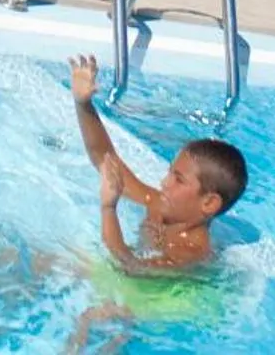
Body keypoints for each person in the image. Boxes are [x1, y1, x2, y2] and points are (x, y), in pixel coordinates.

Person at [65, 54, 246, 346]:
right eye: (169, 173)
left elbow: (129, 265)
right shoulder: (159, 203)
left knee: (95, 319)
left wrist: (108, 208)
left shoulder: (193, 251)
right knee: (43, 262)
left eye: (178, 179)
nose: (164, 182)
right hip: (134, 274)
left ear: (209, 204)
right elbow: (104, 159)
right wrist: (83, 104)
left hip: (162, 297)